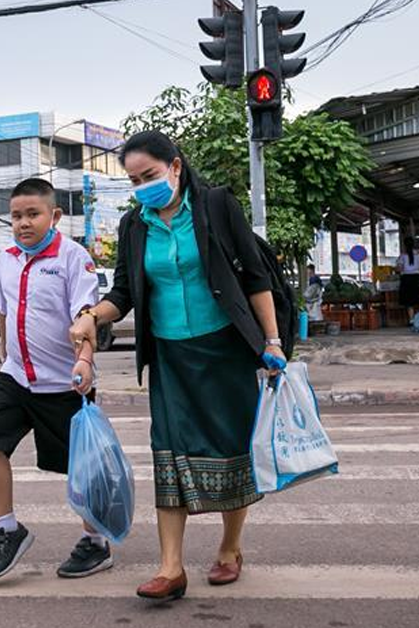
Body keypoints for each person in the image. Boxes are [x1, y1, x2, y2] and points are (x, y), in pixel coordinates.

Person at [70, 131, 285, 600]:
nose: (143, 186)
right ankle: (171, 568)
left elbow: (254, 275)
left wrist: (272, 341)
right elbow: (123, 294)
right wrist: (91, 316)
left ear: (175, 166)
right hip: (169, 356)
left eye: (149, 175)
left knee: (232, 451)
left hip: (225, 351)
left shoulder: (215, 205)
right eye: (133, 180)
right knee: (168, 452)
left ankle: (230, 549)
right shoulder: (134, 226)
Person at [0, 178, 104, 581]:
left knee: (80, 470)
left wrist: (85, 360)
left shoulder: (73, 257)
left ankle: (96, 542)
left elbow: (86, 317)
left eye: (32, 214)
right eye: (16, 216)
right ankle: (7, 529)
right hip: (16, 379)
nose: (23, 223)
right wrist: (6, 353)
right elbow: (3, 311)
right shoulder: (7, 259)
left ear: (54, 216)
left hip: (65, 381)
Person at [397, 236, 419, 320]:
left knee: (409, 301)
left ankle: (412, 320)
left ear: (404, 245)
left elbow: (399, 268)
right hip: (416, 278)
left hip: (406, 278)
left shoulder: (402, 256)